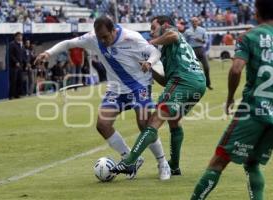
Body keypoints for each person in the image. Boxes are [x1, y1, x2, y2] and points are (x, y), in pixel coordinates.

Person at [34, 16, 171, 180]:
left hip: (138, 86)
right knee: (102, 125)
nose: (103, 41)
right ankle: (130, 159)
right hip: (116, 89)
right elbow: (69, 43)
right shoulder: (93, 38)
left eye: (106, 37)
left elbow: (154, 51)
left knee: (144, 124)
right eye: (100, 38)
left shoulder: (131, 37)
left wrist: (149, 63)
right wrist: (49, 53)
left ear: (114, 30)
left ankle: (162, 163)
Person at [190, 0, 273, 199]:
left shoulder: (249, 37)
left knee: (218, 161)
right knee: (252, 163)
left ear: (256, 12)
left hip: (253, 112)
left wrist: (231, 98)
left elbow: (235, 69)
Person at [111, 15, 206, 177]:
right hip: (198, 82)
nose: (151, 32)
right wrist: (150, 69)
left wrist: (150, 43)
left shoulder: (171, 32)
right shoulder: (169, 49)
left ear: (165, 25)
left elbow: (173, 34)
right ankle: (174, 166)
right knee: (174, 120)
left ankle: (129, 161)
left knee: (154, 120)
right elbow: (166, 81)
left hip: (183, 80)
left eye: (153, 28)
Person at [185, 17, 213, 90]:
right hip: (192, 50)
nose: (195, 22)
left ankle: (208, 84)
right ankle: (195, 85)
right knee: (193, 69)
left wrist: (201, 40)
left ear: (198, 22)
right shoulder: (187, 31)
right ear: (191, 22)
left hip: (201, 49)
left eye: (196, 21)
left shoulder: (202, 30)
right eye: (193, 21)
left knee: (206, 67)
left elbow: (206, 41)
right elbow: (184, 41)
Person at [9, 32, 25, 99]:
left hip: (20, 66)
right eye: (18, 36)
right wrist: (16, 62)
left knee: (19, 80)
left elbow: (22, 55)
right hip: (14, 66)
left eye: (21, 36)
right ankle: (11, 95)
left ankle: (18, 95)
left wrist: (25, 63)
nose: (20, 37)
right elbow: (11, 55)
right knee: (13, 81)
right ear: (15, 37)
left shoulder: (21, 45)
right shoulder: (12, 44)